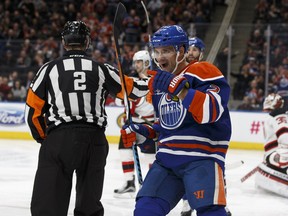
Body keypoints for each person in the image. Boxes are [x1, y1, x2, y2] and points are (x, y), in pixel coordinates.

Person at [25, 20, 149, 216]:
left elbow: (32, 110)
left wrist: (44, 139)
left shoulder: (48, 69)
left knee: (49, 204)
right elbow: (136, 91)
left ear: (64, 42)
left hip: (59, 139)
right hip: (94, 141)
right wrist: (152, 77)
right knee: (89, 205)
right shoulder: (102, 69)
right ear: (88, 42)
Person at [121, 25, 231, 216]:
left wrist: (179, 89)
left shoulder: (203, 70)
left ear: (181, 51)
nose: (160, 57)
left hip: (201, 159)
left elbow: (211, 111)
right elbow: (167, 126)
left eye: (166, 51)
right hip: (166, 162)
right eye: (157, 51)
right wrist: (144, 132)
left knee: (210, 212)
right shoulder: (159, 83)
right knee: (145, 210)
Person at [114, 50, 156, 198]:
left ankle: (152, 185)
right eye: (135, 62)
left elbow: (149, 104)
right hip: (131, 124)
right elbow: (119, 99)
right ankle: (129, 183)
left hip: (147, 126)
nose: (136, 65)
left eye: (138, 61)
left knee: (150, 158)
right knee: (124, 152)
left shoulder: (153, 81)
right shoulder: (132, 81)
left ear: (146, 62)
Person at [255, 93, 288, 198]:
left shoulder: (274, 117)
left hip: (271, 156)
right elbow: (286, 139)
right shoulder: (279, 117)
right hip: (276, 155)